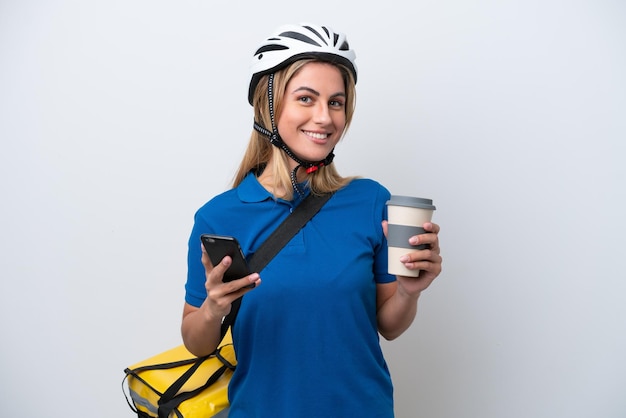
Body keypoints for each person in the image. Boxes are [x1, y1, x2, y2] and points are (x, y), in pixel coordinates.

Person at [181, 22, 443, 417]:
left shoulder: (371, 200)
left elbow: (388, 326)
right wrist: (213, 308)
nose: (324, 117)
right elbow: (196, 342)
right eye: (306, 98)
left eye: (336, 103)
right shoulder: (219, 216)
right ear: (268, 106)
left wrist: (409, 292)